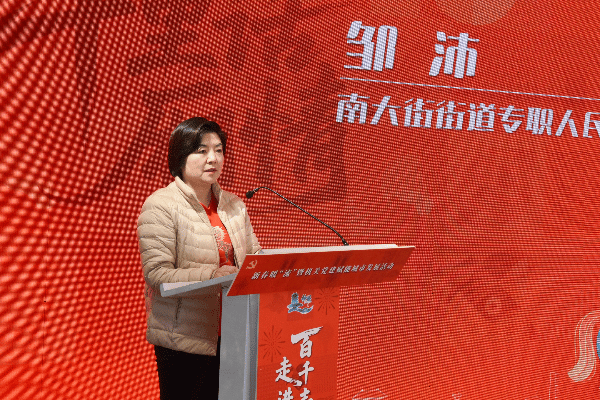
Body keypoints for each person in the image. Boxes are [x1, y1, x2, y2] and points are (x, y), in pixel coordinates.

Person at [137, 117, 261, 399]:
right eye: (201, 150)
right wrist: (212, 275)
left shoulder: (234, 205)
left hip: (235, 335)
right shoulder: (161, 205)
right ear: (180, 157)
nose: (213, 159)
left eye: (219, 150)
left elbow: (254, 257)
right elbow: (157, 275)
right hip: (184, 340)